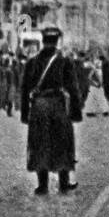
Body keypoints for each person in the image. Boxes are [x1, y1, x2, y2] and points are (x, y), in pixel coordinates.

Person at [21, 27, 83, 196]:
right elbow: (73, 88)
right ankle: (63, 183)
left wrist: (25, 114)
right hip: (58, 106)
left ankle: (42, 185)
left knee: (39, 142)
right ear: (57, 42)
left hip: (39, 107)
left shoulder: (32, 63)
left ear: (43, 41)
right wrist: (76, 112)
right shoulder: (65, 62)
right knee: (62, 142)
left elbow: (25, 89)